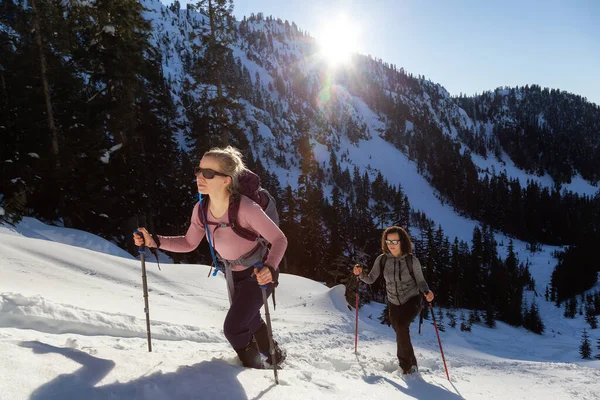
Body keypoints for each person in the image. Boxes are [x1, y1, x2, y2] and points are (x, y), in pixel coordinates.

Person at [134, 146, 288, 369]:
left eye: (208, 173)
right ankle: (275, 354)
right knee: (250, 318)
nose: (199, 177)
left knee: (234, 328)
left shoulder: (247, 209)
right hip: (232, 274)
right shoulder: (201, 209)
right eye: (198, 170)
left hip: (258, 271)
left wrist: (270, 269)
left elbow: (280, 239)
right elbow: (189, 243)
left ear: (226, 180)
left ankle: (256, 369)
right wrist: (154, 241)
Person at [353, 226, 434, 375]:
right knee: (399, 329)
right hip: (393, 301)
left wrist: (427, 292)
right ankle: (412, 362)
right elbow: (371, 279)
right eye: (388, 241)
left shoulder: (411, 260)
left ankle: (405, 367)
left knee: (402, 325)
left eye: (395, 241)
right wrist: (361, 274)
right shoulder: (382, 259)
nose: (391, 244)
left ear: (402, 242)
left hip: (412, 298)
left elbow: (421, 282)